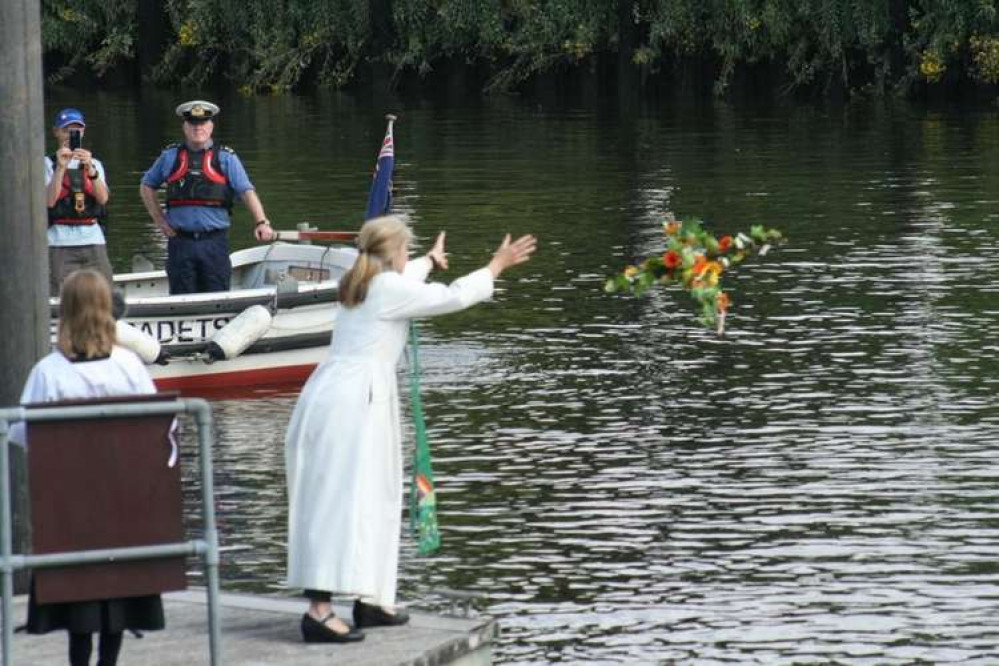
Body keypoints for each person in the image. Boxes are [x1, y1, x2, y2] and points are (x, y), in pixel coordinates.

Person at [284, 215, 537, 643]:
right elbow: (451, 298)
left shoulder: (361, 279)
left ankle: (370, 600)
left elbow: (406, 283)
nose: (409, 257)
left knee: (377, 496)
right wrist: (496, 266)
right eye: (408, 250)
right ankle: (319, 611)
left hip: (342, 396)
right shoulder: (384, 287)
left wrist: (429, 260)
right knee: (339, 501)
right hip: (353, 404)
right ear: (394, 253)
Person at [12, 269, 165, 666]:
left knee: (78, 590)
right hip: (121, 508)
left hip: (69, 511)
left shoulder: (48, 372)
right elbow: (157, 427)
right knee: (115, 587)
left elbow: (21, 434)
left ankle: (78, 661)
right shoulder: (128, 367)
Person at [139, 99, 275, 295]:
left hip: (214, 243)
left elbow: (246, 191)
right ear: (185, 127)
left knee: (218, 297)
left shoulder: (226, 158)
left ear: (210, 126)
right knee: (181, 300)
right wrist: (159, 220)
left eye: (203, 124)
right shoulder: (170, 156)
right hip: (180, 243)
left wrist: (261, 222)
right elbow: (146, 185)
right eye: (193, 124)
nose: (198, 128)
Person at [45, 108, 113, 295]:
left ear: (83, 132)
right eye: (66, 130)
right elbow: (49, 201)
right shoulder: (46, 164)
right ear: (56, 132)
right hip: (59, 241)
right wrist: (60, 168)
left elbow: (103, 198)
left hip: (92, 238)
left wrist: (90, 168)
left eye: (76, 131)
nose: (70, 135)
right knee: (60, 297)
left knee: (103, 294)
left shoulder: (95, 164)